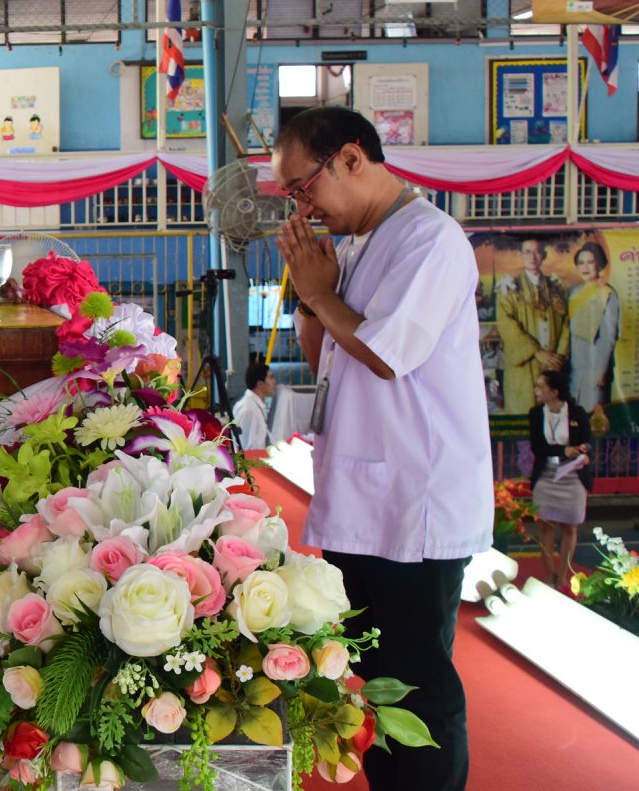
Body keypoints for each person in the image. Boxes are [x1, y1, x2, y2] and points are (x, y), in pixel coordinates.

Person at [275, 106, 491, 791]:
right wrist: (310, 299)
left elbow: (385, 354)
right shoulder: (359, 245)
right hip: (362, 495)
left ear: (351, 158)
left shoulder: (429, 239)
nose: (303, 207)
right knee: (372, 684)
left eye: (304, 186)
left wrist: (320, 292)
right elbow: (325, 353)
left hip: (413, 502)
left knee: (417, 684)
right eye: (292, 195)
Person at [527, 368, 593, 591]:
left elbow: (588, 442)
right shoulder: (536, 414)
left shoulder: (577, 413)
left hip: (572, 476)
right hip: (546, 476)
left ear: (554, 391)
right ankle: (548, 575)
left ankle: (563, 575)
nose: (536, 390)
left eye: (540, 387)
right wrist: (562, 450)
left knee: (570, 528)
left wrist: (583, 452)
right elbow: (537, 447)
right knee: (546, 527)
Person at [496, 236, 569, 415]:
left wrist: (557, 358)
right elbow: (507, 325)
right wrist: (536, 352)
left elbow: (566, 324)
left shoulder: (555, 288)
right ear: (520, 255)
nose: (532, 257)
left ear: (543, 255)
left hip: (551, 365)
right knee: (524, 413)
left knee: (552, 416)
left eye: (537, 252)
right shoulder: (509, 289)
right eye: (527, 252)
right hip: (524, 366)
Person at [568, 240, 621, 412]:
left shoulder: (607, 294)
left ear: (599, 265)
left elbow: (608, 337)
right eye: (581, 262)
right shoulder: (574, 293)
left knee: (593, 417)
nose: (585, 267)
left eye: (590, 262)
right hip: (575, 366)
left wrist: (601, 370)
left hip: (595, 367)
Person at [230, 359, 275, 452]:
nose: (274, 382)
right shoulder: (249, 409)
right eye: (271, 378)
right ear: (260, 384)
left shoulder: (255, 405)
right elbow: (244, 447)